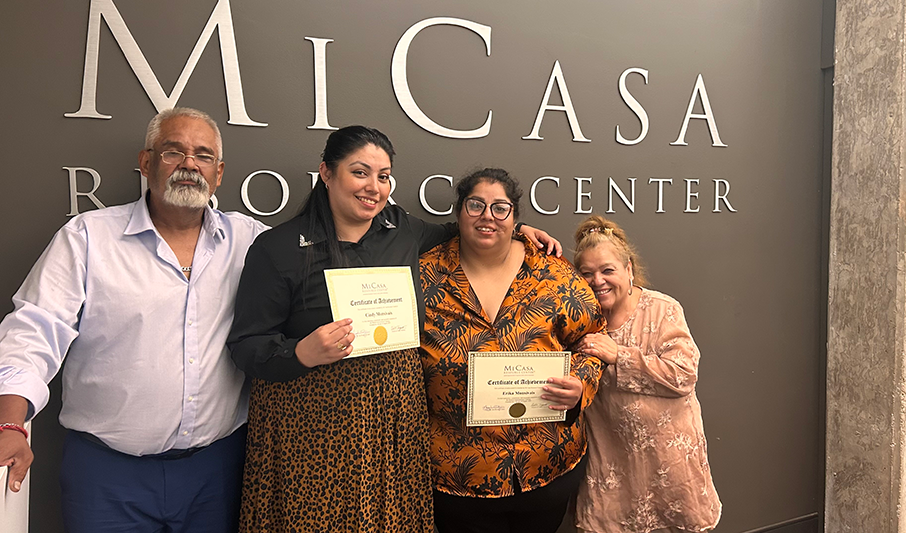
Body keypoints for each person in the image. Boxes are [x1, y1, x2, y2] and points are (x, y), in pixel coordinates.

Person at [226, 130, 560, 533]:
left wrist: (518, 231)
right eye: (360, 172)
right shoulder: (277, 248)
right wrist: (300, 353)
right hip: (311, 430)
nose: (374, 187)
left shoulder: (402, 229)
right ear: (327, 173)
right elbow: (245, 346)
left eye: (384, 176)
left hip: (393, 425)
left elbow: (463, 232)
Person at [0, 107, 267, 532]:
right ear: (146, 163)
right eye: (173, 152)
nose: (188, 165)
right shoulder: (88, 237)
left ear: (219, 173)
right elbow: (34, 331)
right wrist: (10, 423)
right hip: (106, 475)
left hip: (217, 472)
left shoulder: (251, 241)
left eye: (202, 155)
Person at [419, 167, 605, 533]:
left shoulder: (553, 273)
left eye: (499, 208)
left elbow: (593, 343)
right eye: (476, 205)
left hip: (545, 466)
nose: (487, 215)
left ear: (515, 218)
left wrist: (581, 384)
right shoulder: (424, 276)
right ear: (458, 213)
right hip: (457, 476)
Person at [572, 215, 721, 533]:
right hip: (613, 462)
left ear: (628, 269)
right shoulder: (580, 319)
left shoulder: (662, 309)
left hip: (670, 462)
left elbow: (683, 374)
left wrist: (618, 356)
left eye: (607, 270)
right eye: (587, 273)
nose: (598, 280)